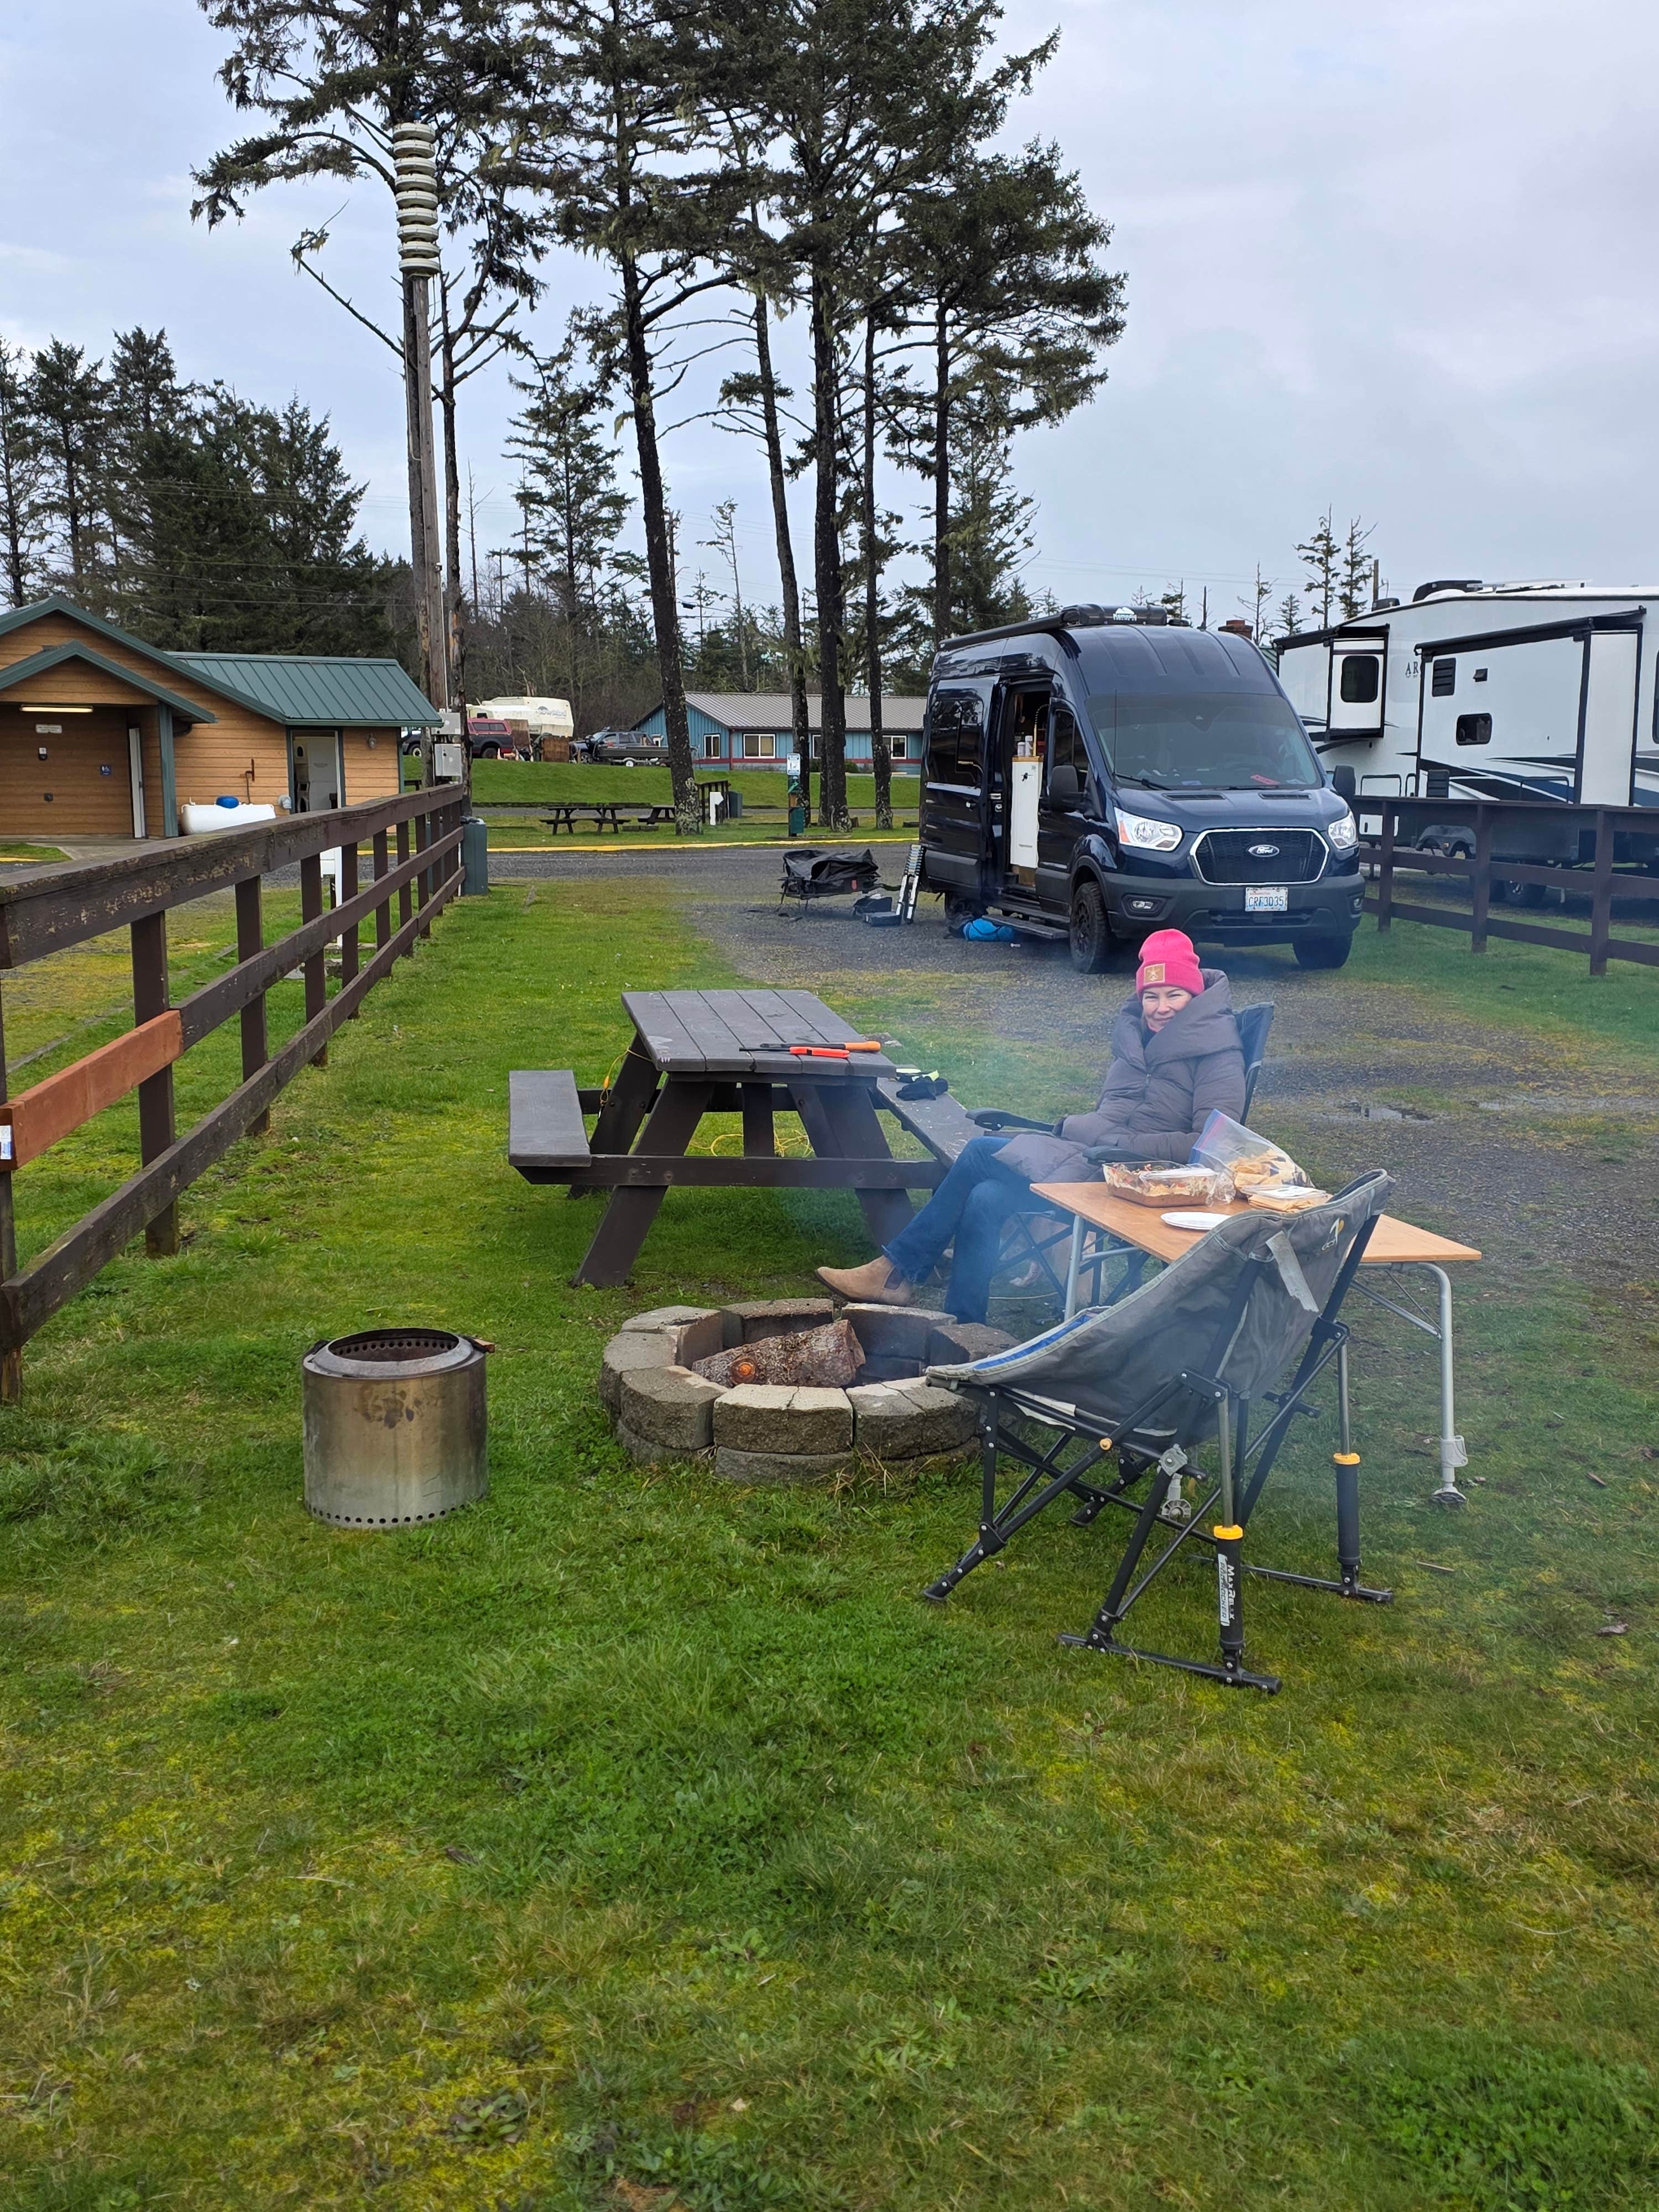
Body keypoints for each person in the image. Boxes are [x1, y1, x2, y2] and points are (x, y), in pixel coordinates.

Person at [817, 930, 1246, 1323]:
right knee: (985, 1197)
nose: (1161, 1007)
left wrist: (1111, 1139)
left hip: (1146, 1179)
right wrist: (1088, 1131)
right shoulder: (1137, 1040)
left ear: (1195, 995)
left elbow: (1210, 1144)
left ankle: (897, 1271)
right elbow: (1116, 1110)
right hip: (1098, 1160)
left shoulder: (1217, 1054)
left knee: (980, 1152)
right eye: (1151, 996)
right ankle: (965, 1327)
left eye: (1174, 994)